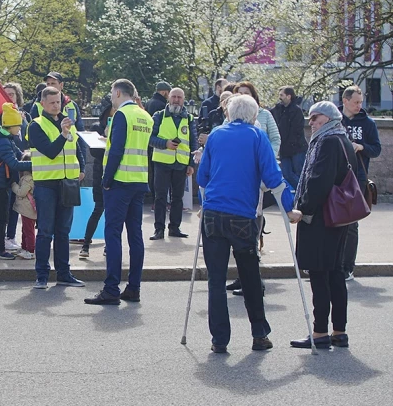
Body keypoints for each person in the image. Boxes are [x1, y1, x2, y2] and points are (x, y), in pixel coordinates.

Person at [197, 94, 300, 353]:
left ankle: (219, 339)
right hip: (242, 216)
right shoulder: (256, 136)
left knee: (216, 280)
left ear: (229, 114)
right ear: (254, 116)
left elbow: (202, 176)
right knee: (250, 276)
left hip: (213, 215)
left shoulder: (216, 135)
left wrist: (205, 202)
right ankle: (259, 334)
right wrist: (289, 208)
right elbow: (274, 178)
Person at [290, 101, 356, 349]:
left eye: (315, 118)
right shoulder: (342, 139)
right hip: (338, 216)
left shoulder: (327, 142)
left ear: (327, 119)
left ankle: (319, 333)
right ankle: (339, 331)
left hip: (322, 218)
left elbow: (319, 181)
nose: (311, 122)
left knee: (320, 275)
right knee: (335, 273)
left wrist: (303, 210)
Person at [84, 79, 153, 305]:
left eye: (112, 93)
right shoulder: (145, 115)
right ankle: (134, 287)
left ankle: (111, 288)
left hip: (120, 181)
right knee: (135, 236)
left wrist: (106, 179)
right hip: (139, 180)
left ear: (117, 93)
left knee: (112, 234)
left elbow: (117, 150)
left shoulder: (122, 115)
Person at [29, 86, 86, 289]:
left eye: (58, 102)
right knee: (45, 231)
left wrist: (82, 167)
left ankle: (64, 274)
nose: (56, 106)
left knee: (63, 232)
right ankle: (42, 275)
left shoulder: (69, 124)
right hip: (46, 184)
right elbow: (51, 151)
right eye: (52, 102)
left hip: (68, 182)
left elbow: (78, 148)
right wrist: (63, 134)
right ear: (42, 103)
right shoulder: (36, 125)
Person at [228, 82, 282, 295]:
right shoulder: (230, 118)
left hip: (257, 178)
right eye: (238, 94)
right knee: (237, 233)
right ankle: (242, 277)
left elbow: (275, 139)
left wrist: (268, 155)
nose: (241, 97)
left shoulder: (265, 117)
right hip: (235, 182)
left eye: (245, 94)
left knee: (251, 229)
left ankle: (252, 279)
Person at [339, 85, 381, 281]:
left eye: (360, 102)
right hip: (336, 175)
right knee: (333, 220)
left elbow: (376, 149)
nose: (358, 105)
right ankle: (334, 263)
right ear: (345, 101)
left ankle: (348, 267)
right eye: (355, 102)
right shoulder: (335, 120)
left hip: (357, 176)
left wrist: (361, 146)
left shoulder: (368, 123)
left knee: (351, 224)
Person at [0, 103, 32, 260]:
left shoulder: (5, 138)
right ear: (11, 126)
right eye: (18, 126)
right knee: (2, 218)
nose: (20, 129)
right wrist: (36, 164)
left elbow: (19, 154)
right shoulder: (3, 141)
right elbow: (15, 164)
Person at [149, 87, 198, 240]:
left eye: (179, 97)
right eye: (174, 97)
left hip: (181, 163)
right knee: (160, 197)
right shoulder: (159, 116)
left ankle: (174, 228)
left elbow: (193, 142)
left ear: (183, 100)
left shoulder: (189, 118)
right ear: (168, 98)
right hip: (162, 162)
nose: (176, 100)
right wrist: (165, 143)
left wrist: (191, 164)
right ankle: (159, 229)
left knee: (178, 197)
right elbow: (150, 138)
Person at [79, 94, 112, 259]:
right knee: (98, 208)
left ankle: (109, 245)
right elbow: (94, 151)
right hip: (101, 173)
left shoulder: (122, 125)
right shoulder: (97, 126)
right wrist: (106, 140)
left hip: (117, 173)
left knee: (113, 213)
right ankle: (85, 244)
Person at [3, 82, 31, 251]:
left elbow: (28, 137)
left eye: (12, 94)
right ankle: (6, 236)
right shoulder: (1, 117)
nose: (8, 97)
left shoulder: (25, 115)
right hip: (9, 166)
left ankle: (13, 236)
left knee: (21, 204)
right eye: (5, 94)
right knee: (7, 205)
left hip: (23, 164)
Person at [270, 86, 308, 190]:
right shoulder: (277, 110)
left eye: (281, 95)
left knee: (300, 173)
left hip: (297, 148)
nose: (279, 98)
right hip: (284, 149)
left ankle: (305, 193)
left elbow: (296, 131)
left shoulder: (296, 111)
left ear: (289, 96)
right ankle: (303, 192)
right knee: (287, 174)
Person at [11, 154, 36, 260]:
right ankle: (24, 248)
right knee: (26, 229)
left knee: (28, 230)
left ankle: (30, 250)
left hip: (27, 209)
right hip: (29, 209)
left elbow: (21, 192)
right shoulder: (32, 178)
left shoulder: (27, 179)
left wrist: (14, 185)